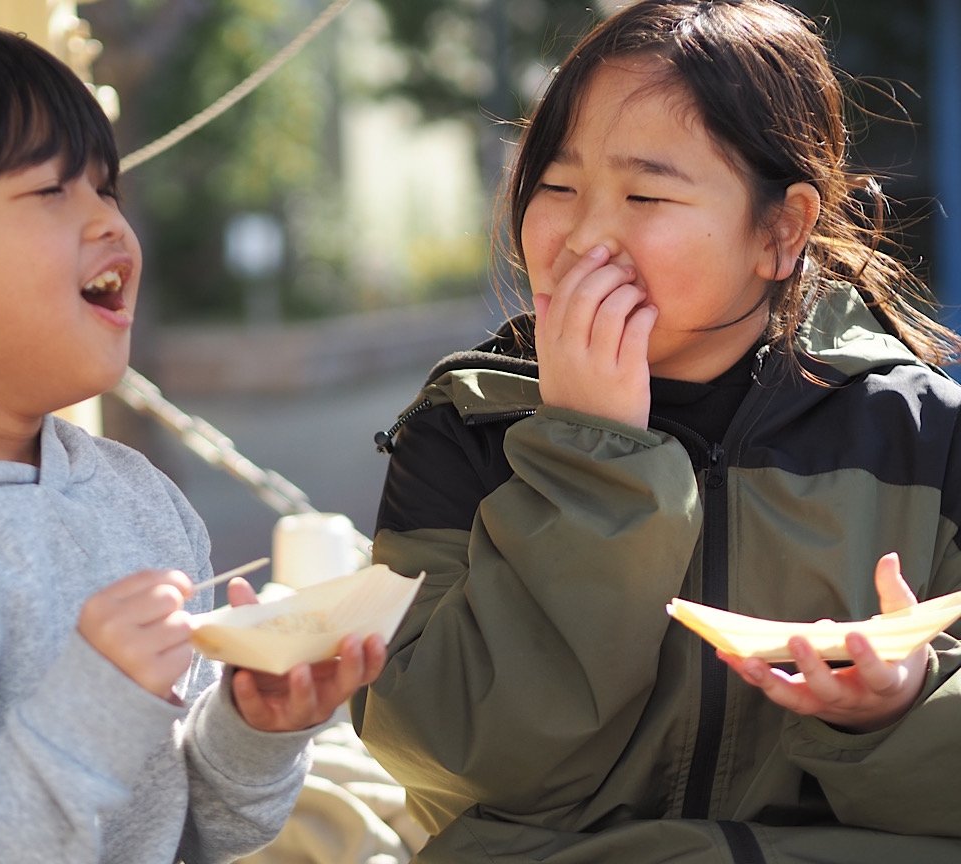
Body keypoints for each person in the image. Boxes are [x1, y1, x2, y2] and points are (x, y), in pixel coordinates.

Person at [350, 1, 961, 861]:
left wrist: (900, 709)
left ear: (780, 230)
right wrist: (586, 456)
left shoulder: (923, 435)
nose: (584, 238)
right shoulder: (466, 429)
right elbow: (448, 760)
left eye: (645, 194)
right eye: (556, 186)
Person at [0, 17, 384, 864]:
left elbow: (194, 826)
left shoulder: (139, 501)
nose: (111, 223)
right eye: (52, 191)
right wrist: (91, 710)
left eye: (106, 187)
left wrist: (256, 729)